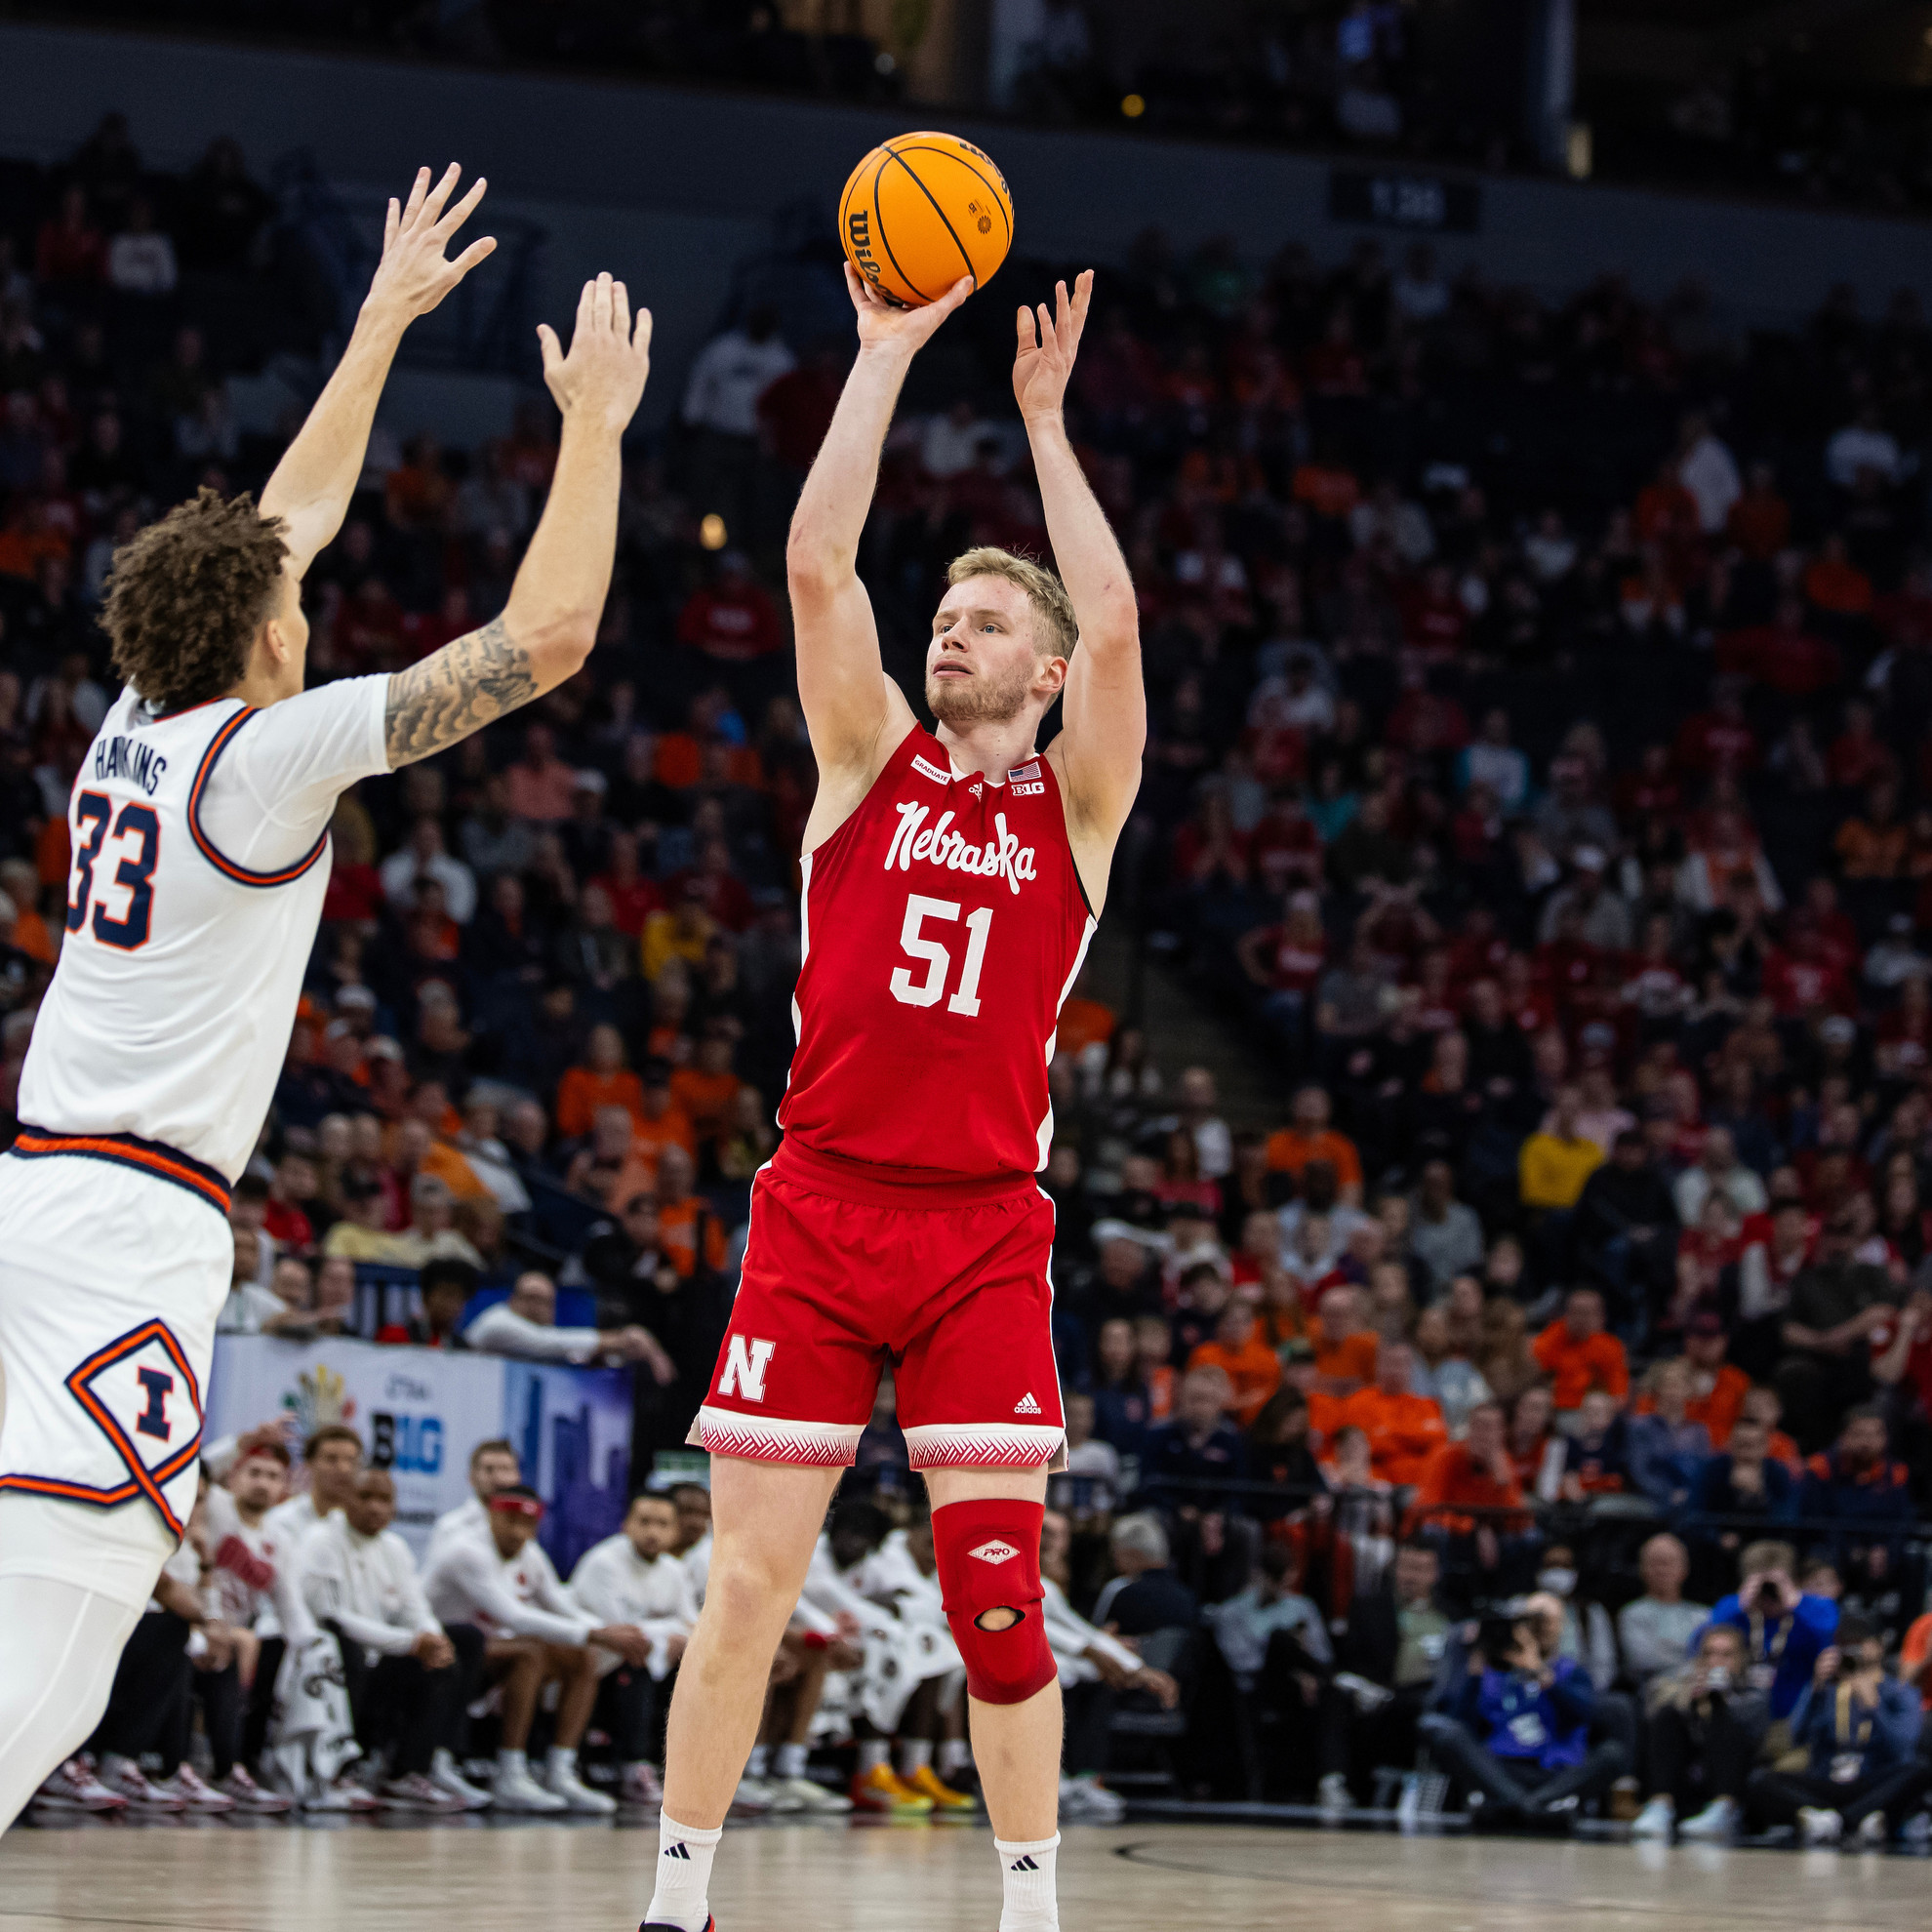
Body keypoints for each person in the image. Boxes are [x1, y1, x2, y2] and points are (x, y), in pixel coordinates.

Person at [0, 163, 656, 1831]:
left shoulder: (136, 716)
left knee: (45, 1610)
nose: (312, 603)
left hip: (48, 1194)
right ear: (262, 640)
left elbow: (275, 524)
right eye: (297, 606)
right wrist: (591, 423)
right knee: (62, 1641)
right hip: (127, 1225)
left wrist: (378, 323)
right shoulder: (259, 753)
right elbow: (551, 633)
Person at [653, 263, 1146, 1932]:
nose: (954, 625)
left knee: (998, 1598)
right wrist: (878, 355)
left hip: (981, 1237)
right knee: (746, 1591)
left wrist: (1046, 428)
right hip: (819, 1211)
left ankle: (1030, 1905)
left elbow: (1124, 623)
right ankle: (678, 1900)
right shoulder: (864, 756)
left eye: (991, 618)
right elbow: (811, 562)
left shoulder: (1077, 808)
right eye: (947, 609)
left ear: (1052, 674)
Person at [422, 1484, 650, 1813]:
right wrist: (595, 1632)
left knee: (581, 1657)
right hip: (443, 1646)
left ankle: (560, 1769)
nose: (518, 1532)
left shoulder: (530, 1554)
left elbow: (561, 1606)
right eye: (509, 1521)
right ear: (491, 1516)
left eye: (527, 1524)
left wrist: (608, 1631)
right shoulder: (466, 1551)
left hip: (490, 1648)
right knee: (531, 1651)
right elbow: (514, 1617)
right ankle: (509, 1771)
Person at [301, 1466, 486, 1811]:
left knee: (459, 1642)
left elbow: (416, 1608)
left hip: (379, 1661)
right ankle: (338, 1772)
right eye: (365, 1497)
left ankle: (408, 1773)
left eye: (384, 1499)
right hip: (323, 1662)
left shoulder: (395, 1547)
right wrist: (409, 1643)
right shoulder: (320, 1539)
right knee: (346, 1645)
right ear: (344, 1499)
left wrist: (433, 1638)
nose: (375, 1507)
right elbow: (332, 1616)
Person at [1419, 1610, 1627, 1825]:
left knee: (1612, 1754)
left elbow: (1583, 1715)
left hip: (1555, 1771)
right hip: (1500, 1770)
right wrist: (1474, 1673)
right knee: (1447, 1735)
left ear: (1561, 1628)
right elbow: (1463, 1725)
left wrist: (1540, 1672)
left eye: (1547, 1621)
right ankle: (1537, 1808)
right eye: (1532, 1622)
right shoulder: (1493, 1672)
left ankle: (1520, 1805)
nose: (1540, 1628)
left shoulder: (1571, 1671)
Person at [1746, 1615, 1930, 1845]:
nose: (1852, 1650)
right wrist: (1815, 1688)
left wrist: (1875, 1708)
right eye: (1844, 1645)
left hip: (1872, 1780)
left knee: (1920, 1770)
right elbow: (1795, 1736)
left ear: (1879, 1646)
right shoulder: (1828, 1689)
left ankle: (1839, 1819)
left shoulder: (1897, 1691)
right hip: (1827, 1779)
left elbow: (1903, 1747)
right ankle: (1856, 1818)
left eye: (1859, 1643)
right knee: (1760, 1779)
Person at [568, 1492, 700, 1805]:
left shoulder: (674, 1569)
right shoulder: (604, 1563)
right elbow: (619, 1631)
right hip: (592, 1664)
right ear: (626, 1525)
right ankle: (633, 1769)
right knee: (637, 1656)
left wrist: (665, 1636)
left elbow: (693, 1627)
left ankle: (693, 1769)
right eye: (644, 1522)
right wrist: (666, 1633)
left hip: (644, 1660)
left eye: (662, 1524)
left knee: (695, 1661)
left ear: (675, 1532)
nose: (652, 1532)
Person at [1630, 1622, 1768, 1841]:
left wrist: (1721, 1699)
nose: (1715, 1661)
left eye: (1726, 1655)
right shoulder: (1685, 1683)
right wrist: (1687, 1699)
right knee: (1668, 1715)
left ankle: (1725, 1808)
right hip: (1689, 1777)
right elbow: (1650, 1711)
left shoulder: (1754, 1694)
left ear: (1741, 1659)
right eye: (1709, 1654)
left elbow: (1754, 1732)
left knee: (1726, 1720)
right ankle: (1660, 1805)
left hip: (1734, 1781)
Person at [1701, 1539, 1839, 1721]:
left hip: (1795, 1718)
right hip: (1738, 1716)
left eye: (1774, 1585)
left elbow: (1829, 1633)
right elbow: (1708, 1640)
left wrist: (1795, 1602)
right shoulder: (1732, 1608)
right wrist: (1742, 1604)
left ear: (1792, 1580)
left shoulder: (1815, 1608)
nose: (1768, 1594)